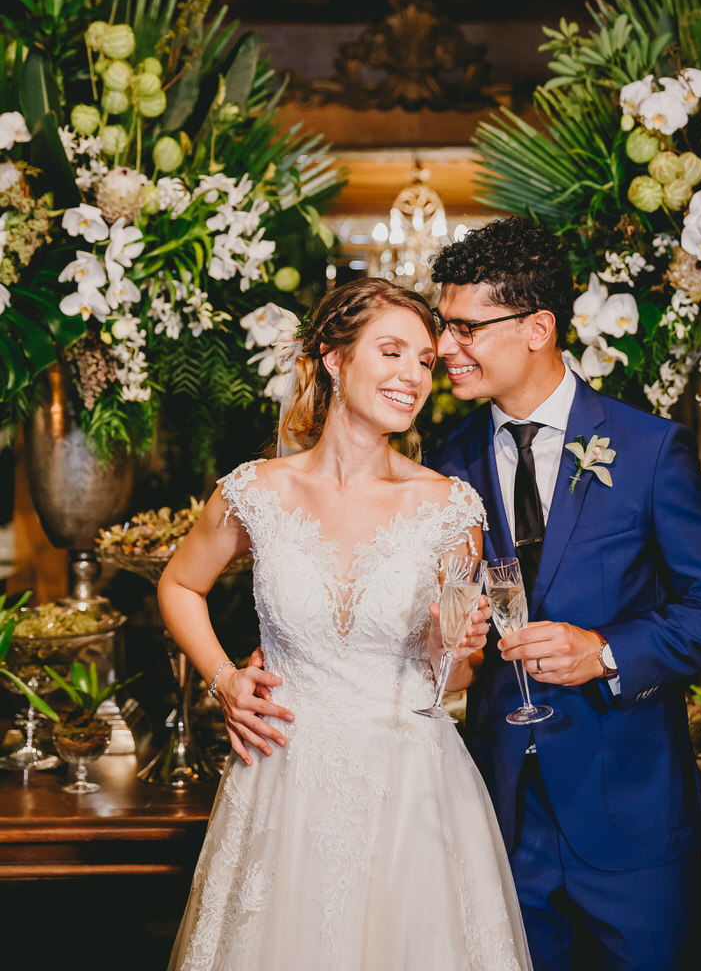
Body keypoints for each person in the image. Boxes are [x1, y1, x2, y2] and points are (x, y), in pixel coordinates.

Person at [158, 277, 533, 971]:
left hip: (412, 794)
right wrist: (225, 680)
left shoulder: (449, 508)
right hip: (284, 781)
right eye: (391, 352)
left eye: (424, 362)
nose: (412, 376)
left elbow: (454, 675)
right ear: (334, 358)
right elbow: (180, 583)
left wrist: (449, 647)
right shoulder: (255, 491)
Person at [425, 215, 701, 971]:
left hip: (634, 819)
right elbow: (441, 625)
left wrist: (605, 651)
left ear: (537, 326)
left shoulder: (648, 448)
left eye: (466, 327)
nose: (444, 348)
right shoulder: (443, 464)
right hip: (500, 821)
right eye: (443, 326)